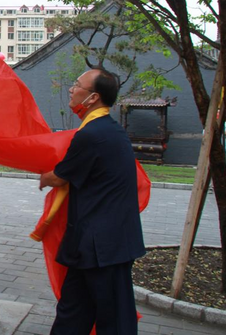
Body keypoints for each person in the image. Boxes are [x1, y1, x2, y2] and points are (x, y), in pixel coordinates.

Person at [39, 68, 145, 335]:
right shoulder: (109, 130)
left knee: (114, 321)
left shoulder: (92, 135)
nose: (71, 89)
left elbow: (59, 176)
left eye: (76, 85)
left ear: (93, 98)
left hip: (104, 248)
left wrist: (42, 175)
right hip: (90, 245)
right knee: (72, 313)